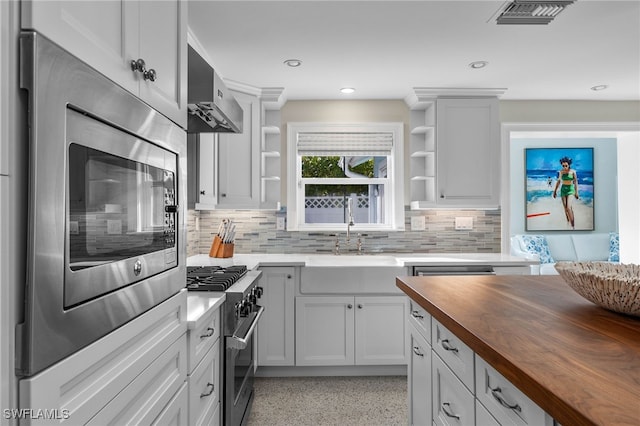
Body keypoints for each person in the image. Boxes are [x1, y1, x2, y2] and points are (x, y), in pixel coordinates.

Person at [552, 156, 579, 229]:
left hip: (570, 190)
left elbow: (576, 182)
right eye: (563, 166)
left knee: (568, 207)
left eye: (566, 165)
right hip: (563, 190)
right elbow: (558, 181)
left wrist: (576, 192)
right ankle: (568, 223)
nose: (564, 167)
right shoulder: (561, 172)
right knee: (565, 209)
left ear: (569, 164)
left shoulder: (573, 172)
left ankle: (573, 226)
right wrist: (554, 191)